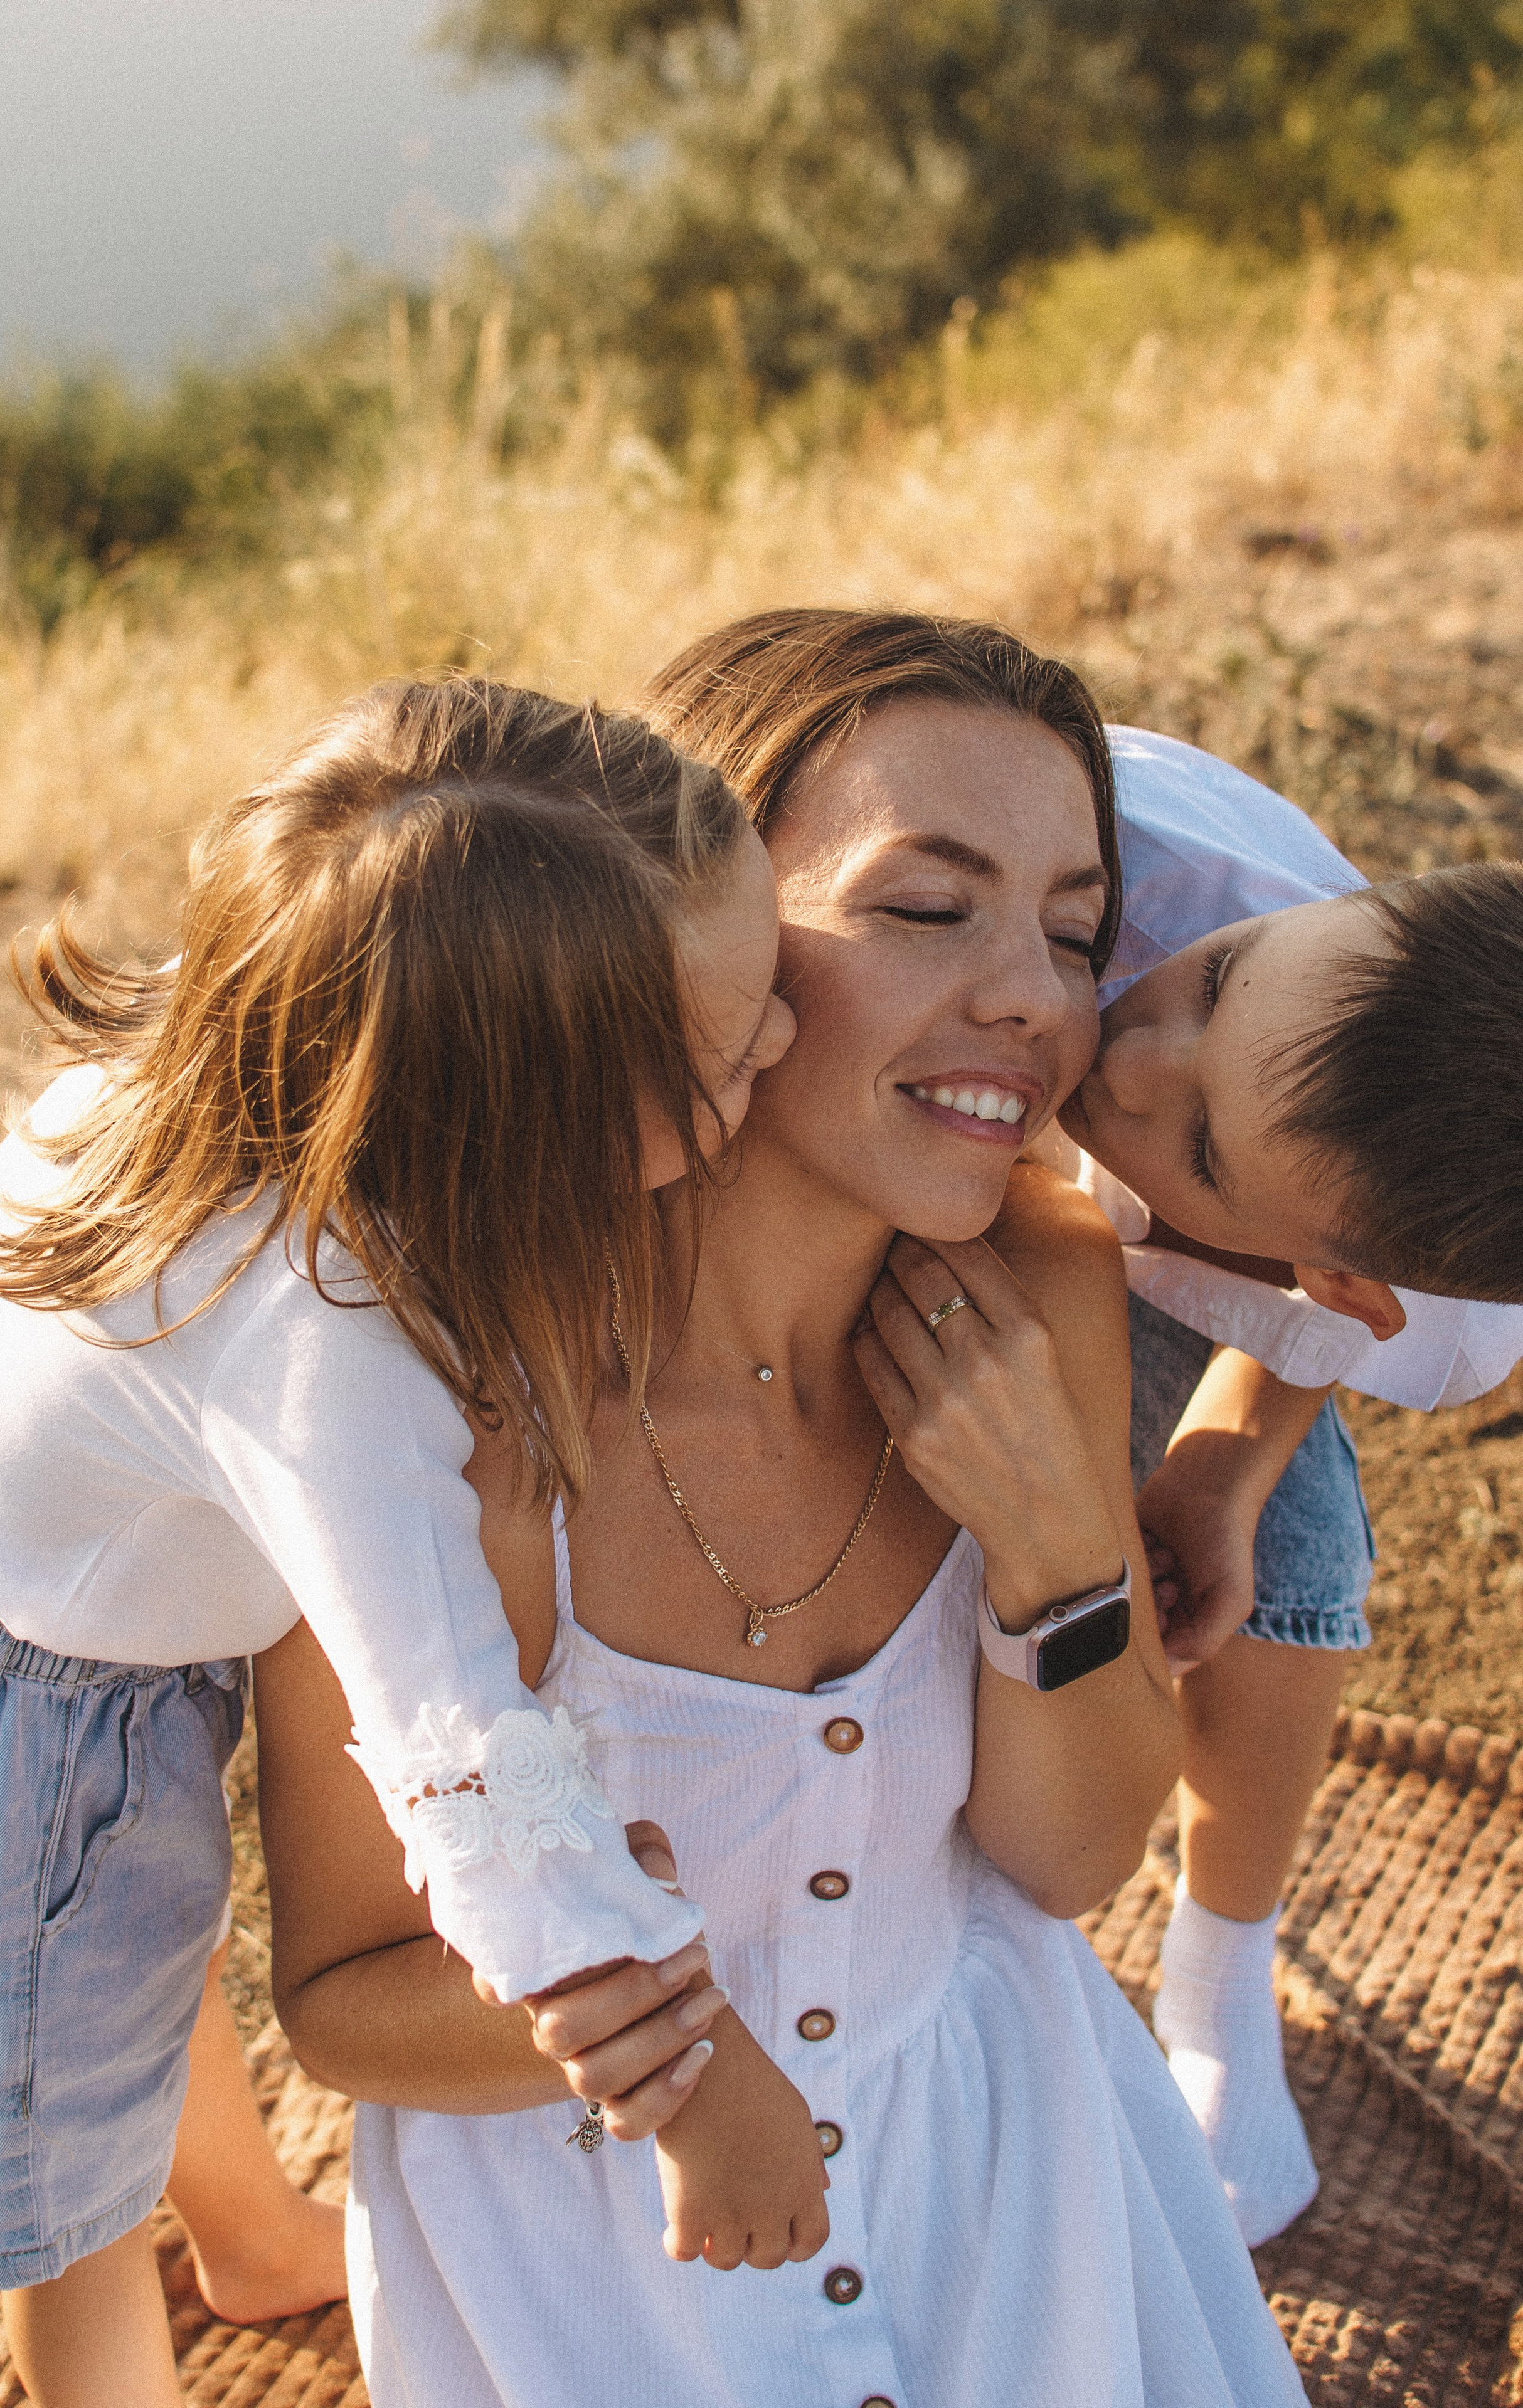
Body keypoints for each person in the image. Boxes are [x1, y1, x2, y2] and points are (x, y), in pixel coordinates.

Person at [260, 612, 1307, 2407]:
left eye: (1072, 930)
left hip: (1011, 2205)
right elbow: (343, 2000)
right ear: (699, 921)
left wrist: (1060, 1542)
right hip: (608, 2287)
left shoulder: (1045, 1283)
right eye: (925, 908)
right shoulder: (430, 1404)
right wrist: (662, 2036)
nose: (1038, 1003)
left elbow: (1067, 1866)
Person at [0, 677, 795, 2407]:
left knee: (143, 1953)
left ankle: (244, 2236)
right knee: (70, 2174)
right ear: (522, 1127)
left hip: (15, 1548)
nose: (786, 1044)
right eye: (735, 1046)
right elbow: (464, 1759)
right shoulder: (324, 1353)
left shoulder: (276, 1028)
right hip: (20, 1697)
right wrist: (683, 2074)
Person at [1046, 725, 1523, 2242]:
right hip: (878, 1121)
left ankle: (1218, 1960)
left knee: (1289, 1564)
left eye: (1191, 1131)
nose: (1125, 1050)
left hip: (1178, 1259)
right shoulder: (1131, 864)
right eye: (1213, 986)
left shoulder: (1437, 1321)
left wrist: (1221, 1469)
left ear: (1327, 1265)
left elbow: (1304, 1325)